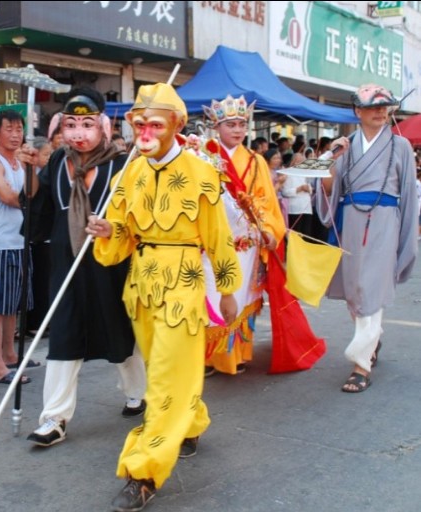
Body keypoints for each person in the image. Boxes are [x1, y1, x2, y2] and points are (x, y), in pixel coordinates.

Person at [86, 83, 242, 512]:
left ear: (176, 125)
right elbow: (121, 235)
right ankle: (190, 422)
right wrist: (107, 231)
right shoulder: (129, 174)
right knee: (162, 372)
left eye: (156, 123)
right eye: (140, 123)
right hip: (141, 285)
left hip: (184, 286)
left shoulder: (200, 171)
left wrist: (228, 291)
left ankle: (144, 470)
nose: (146, 131)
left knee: (167, 378)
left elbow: (219, 237)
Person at [20, 87, 146, 448]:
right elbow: (36, 206)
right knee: (63, 336)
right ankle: (54, 419)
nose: (78, 133)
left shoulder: (123, 165)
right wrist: (30, 171)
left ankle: (137, 392)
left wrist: (112, 228)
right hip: (66, 262)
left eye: (87, 124)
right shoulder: (58, 162)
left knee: (121, 333)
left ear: (103, 126)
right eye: (71, 124)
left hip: (110, 264)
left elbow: (139, 218)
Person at [316, 83, 419, 393]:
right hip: (352, 220)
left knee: (371, 284)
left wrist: (407, 236)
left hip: (385, 221)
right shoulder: (346, 145)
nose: (380, 112)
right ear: (357, 111)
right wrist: (331, 156)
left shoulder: (400, 147)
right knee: (354, 289)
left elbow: (409, 198)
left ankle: (361, 364)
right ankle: (372, 339)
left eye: (384, 106)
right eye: (372, 107)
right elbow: (328, 187)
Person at [201, 95, 286, 376]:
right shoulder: (204, 157)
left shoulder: (256, 161)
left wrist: (267, 227)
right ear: (216, 127)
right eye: (230, 125)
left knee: (241, 295)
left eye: (241, 124)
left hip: (246, 243)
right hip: (213, 242)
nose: (237, 130)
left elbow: (267, 200)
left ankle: (236, 354)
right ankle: (209, 358)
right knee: (214, 296)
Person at [0, 110, 34, 384]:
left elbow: (34, 192)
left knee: (13, 304)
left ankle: (10, 355)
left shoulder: (20, 162)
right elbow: (9, 197)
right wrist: (32, 200)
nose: (15, 134)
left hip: (21, 239)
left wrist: (33, 167)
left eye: (19, 129)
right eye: (9, 129)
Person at [25, 136, 52, 336]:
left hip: (49, 237)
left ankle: (44, 320)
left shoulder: (49, 174)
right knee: (38, 282)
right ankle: (34, 324)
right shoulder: (35, 175)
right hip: (37, 237)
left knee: (45, 282)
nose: (49, 157)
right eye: (45, 154)